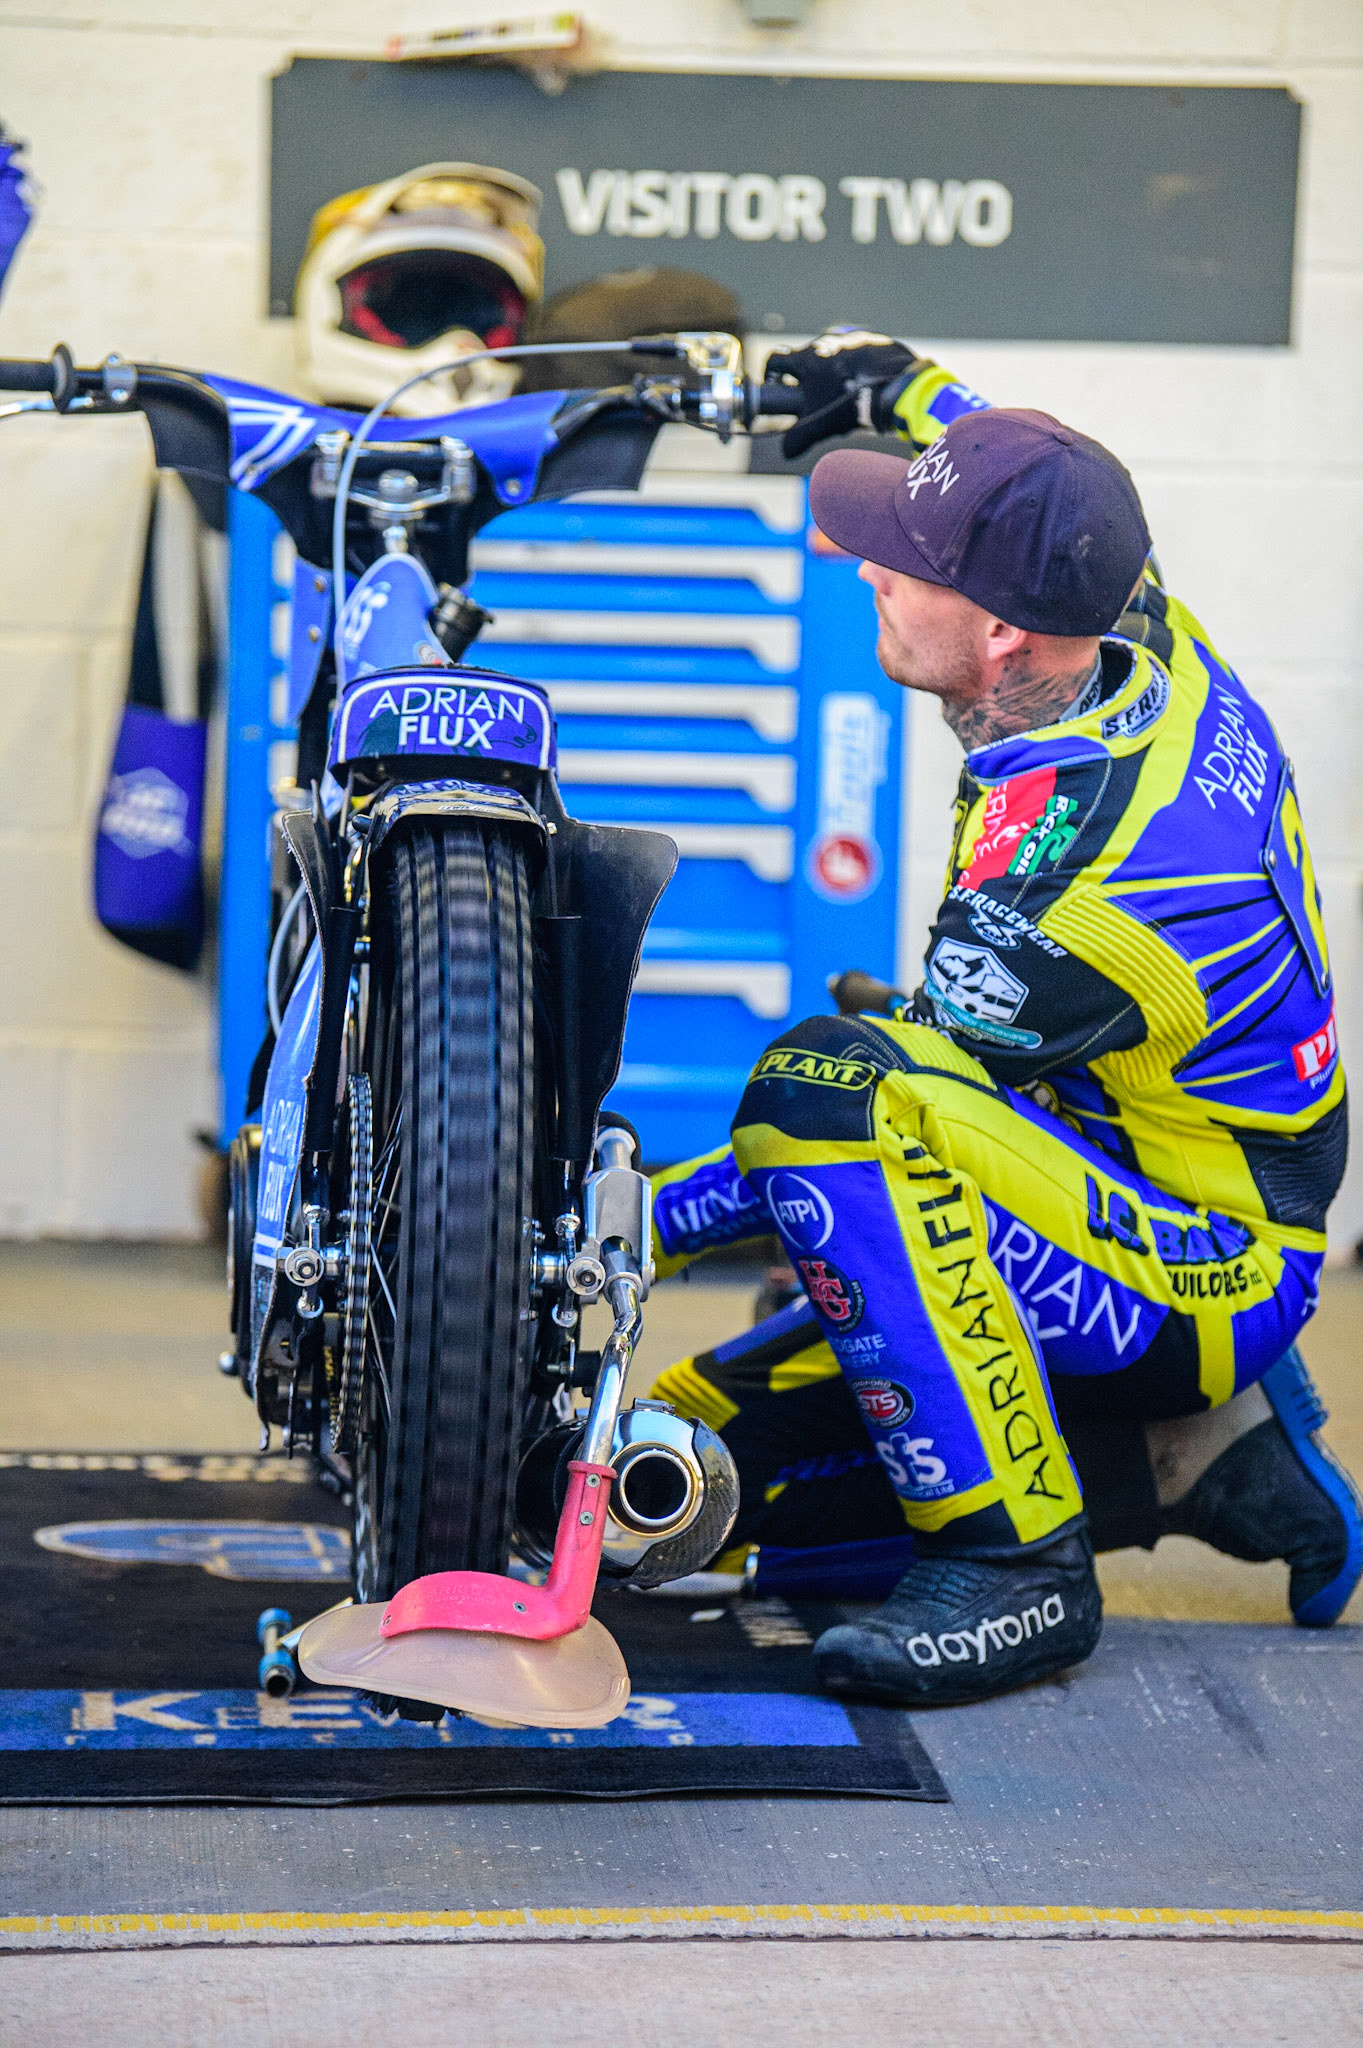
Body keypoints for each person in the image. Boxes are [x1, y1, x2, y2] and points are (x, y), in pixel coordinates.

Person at [646, 330, 1362, 1706]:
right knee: (665, 1459)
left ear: (997, 633)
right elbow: (1036, 488)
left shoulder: (1082, 887)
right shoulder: (1133, 624)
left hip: (1203, 1260)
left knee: (822, 1092)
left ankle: (1022, 1567)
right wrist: (897, 388)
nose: (862, 567)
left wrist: (610, 1232)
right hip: (1120, 1167)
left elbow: (873, 1124)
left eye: (897, 562)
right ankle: (1209, 1460)